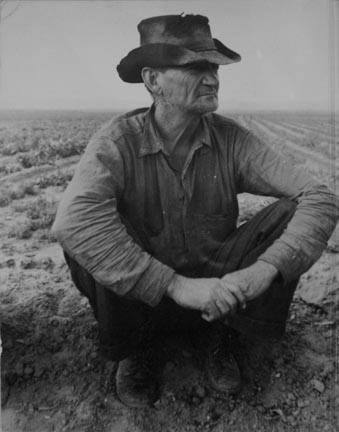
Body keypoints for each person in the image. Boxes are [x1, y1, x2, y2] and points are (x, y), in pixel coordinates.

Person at [52, 14, 338, 408]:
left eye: (214, 67)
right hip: (143, 297)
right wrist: (176, 286)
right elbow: (73, 221)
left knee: (291, 211)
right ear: (153, 81)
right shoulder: (117, 143)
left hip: (220, 295)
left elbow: (318, 196)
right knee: (91, 230)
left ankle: (223, 335)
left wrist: (263, 271)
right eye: (194, 67)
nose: (213, 78)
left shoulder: (231, 140)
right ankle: (136, 349)